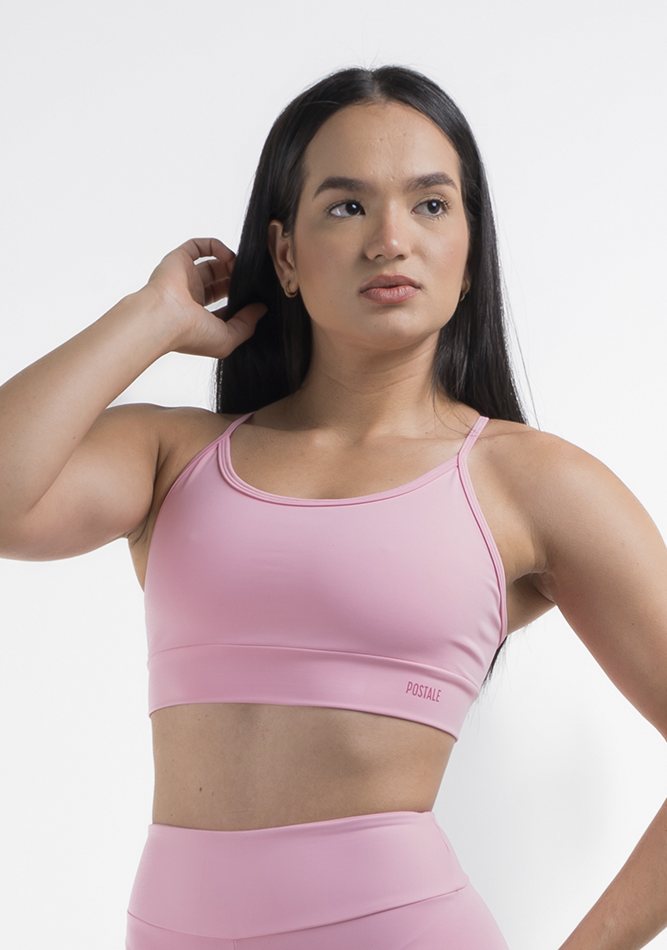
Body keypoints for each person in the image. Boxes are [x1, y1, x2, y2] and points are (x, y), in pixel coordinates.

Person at [1, 64, 666, 950]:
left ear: (471, 251)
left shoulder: (526, 483)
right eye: (347, 206)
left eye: (430, 205)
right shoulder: (176, 458)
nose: (390, 239)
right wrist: (149, 317)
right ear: (284, 254)